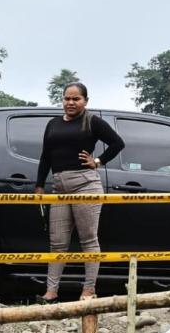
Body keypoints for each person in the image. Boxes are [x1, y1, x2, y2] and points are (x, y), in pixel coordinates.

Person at [35, 82, 125, 302]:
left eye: (76, 99)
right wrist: (39, 185)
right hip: (58, 186)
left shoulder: (92, 121)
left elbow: (117, 143)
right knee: (57, 242)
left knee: (88, 239)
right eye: (67, 98)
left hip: (85, 184)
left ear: (85, 101)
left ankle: (88, 289)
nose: (71, 103)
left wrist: (98, 161)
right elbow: (46, 155)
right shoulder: (53, 123)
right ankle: (51, 292)